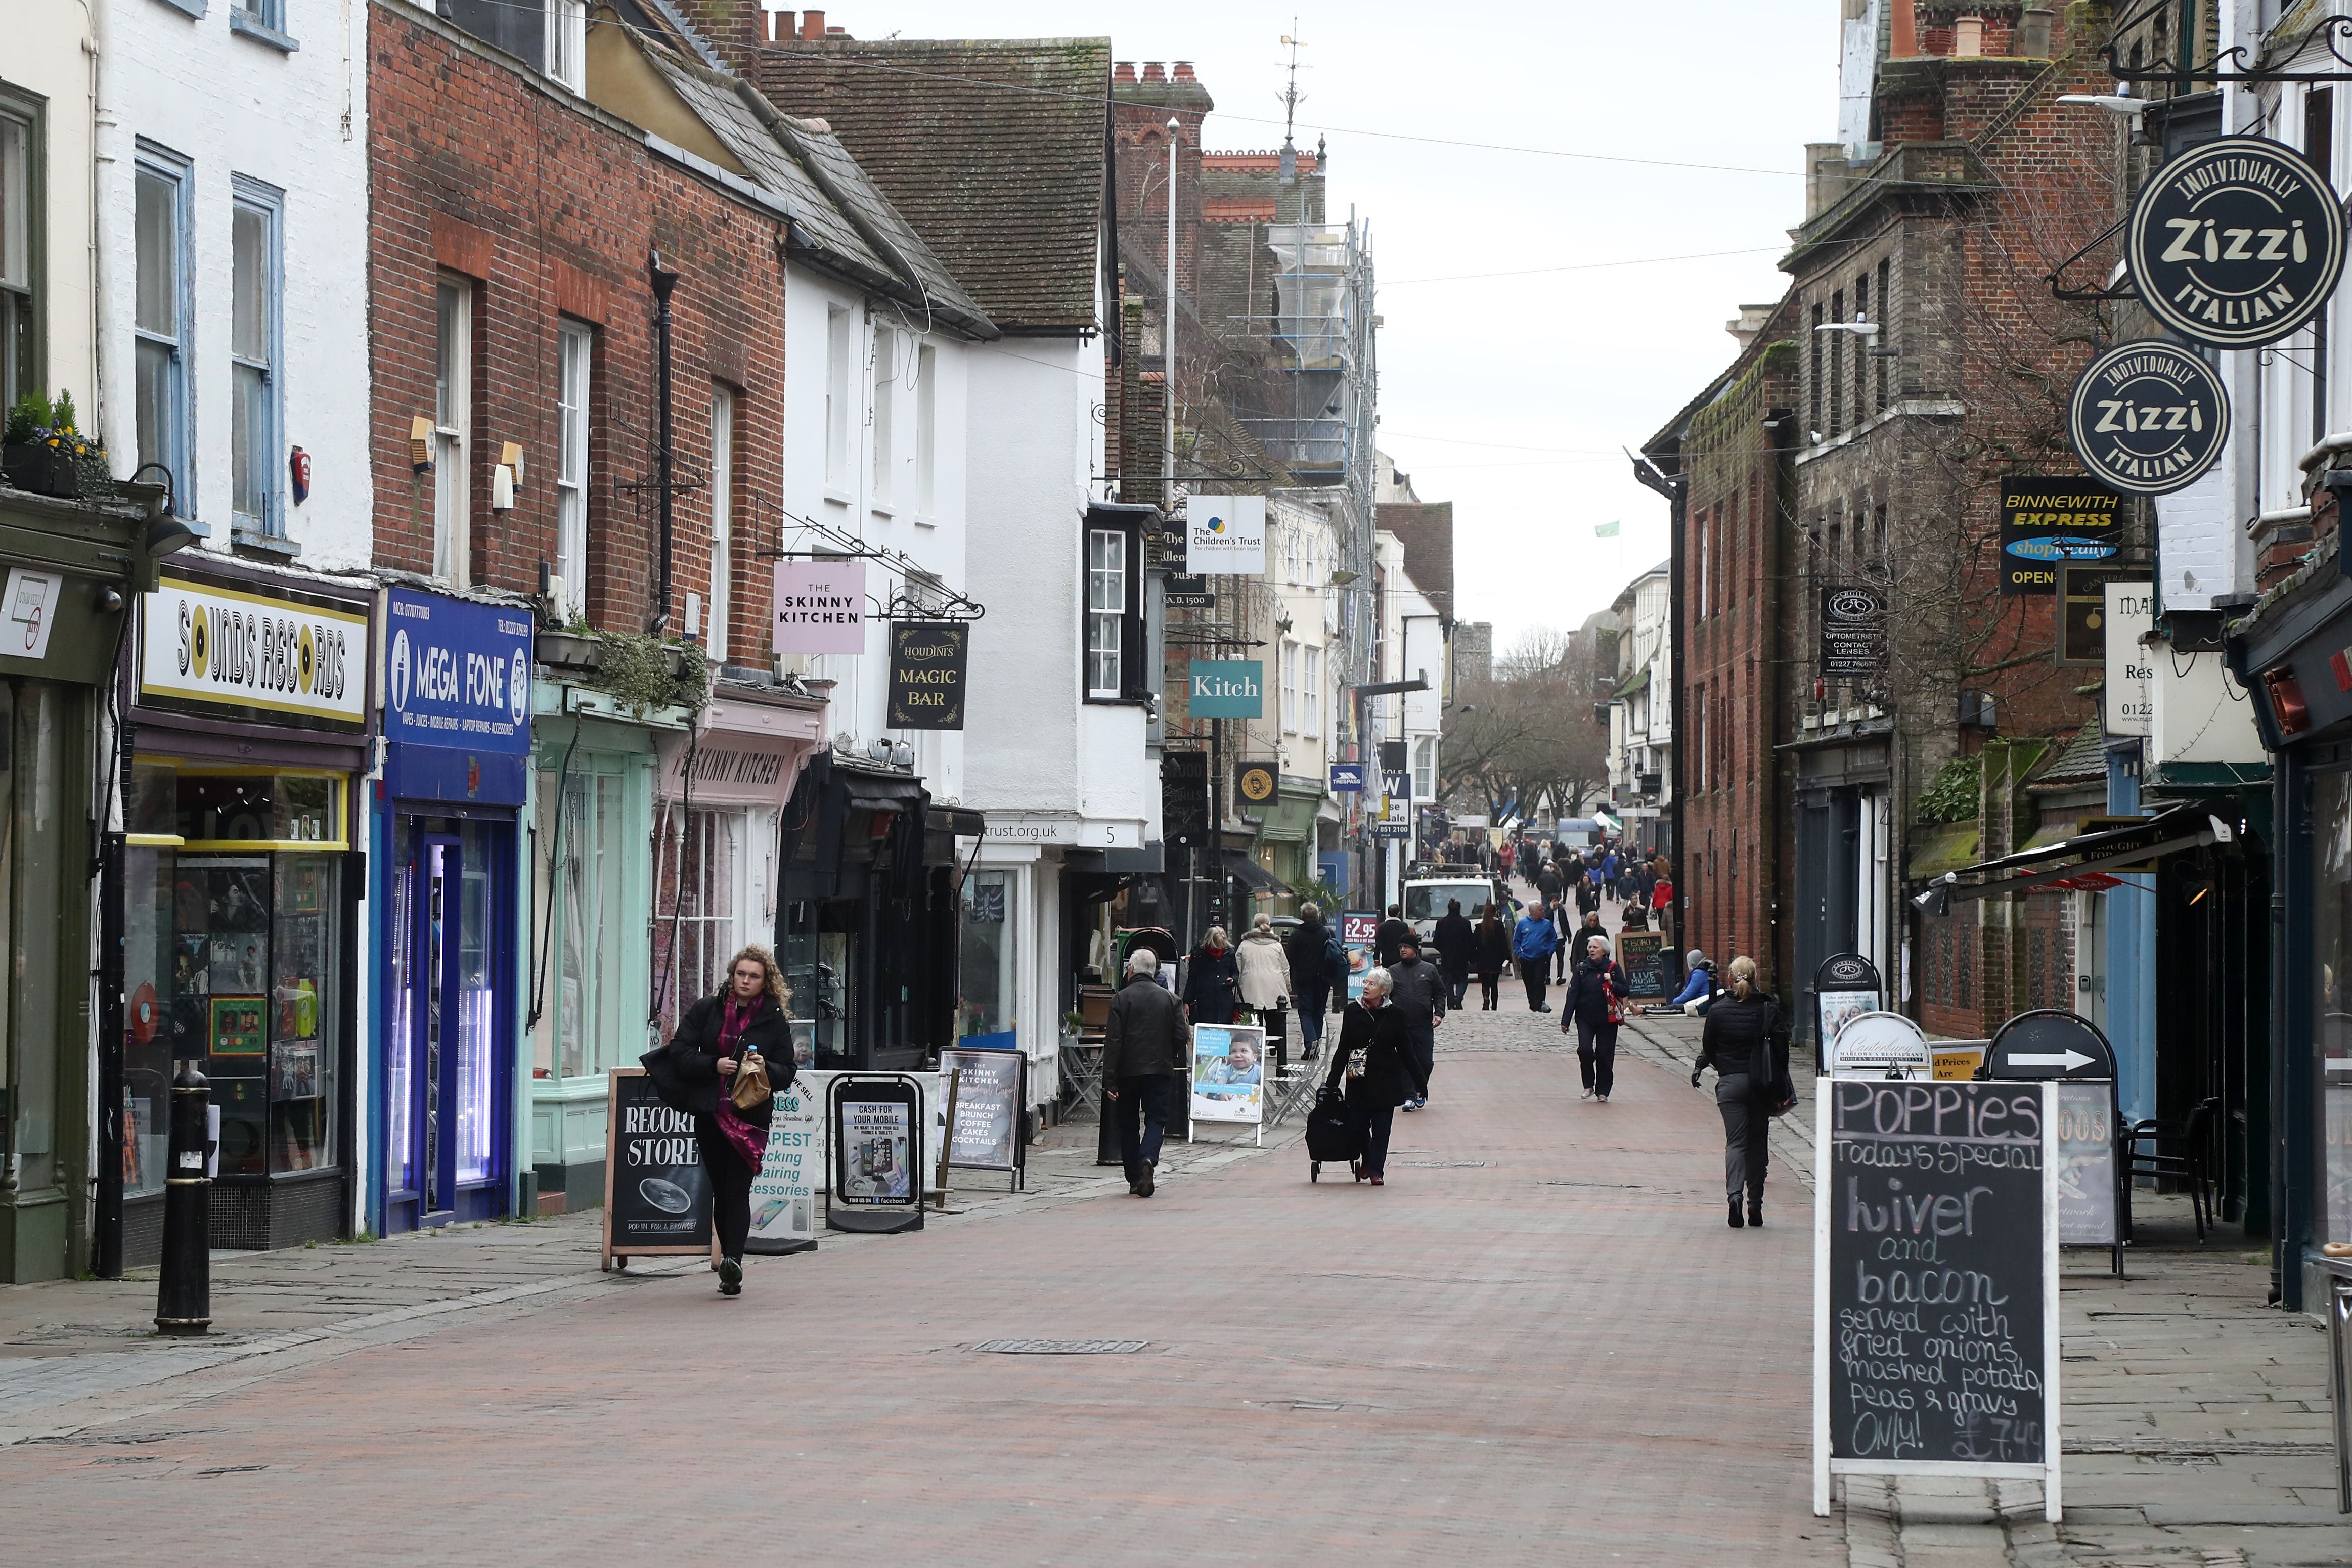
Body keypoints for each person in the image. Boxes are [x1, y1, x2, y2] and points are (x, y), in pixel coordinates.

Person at [647, 945, 793, 1296]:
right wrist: (713, 1064)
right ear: (732, 975)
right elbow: (680, 1050)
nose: (745, 980)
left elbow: (787, 1071)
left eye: (753, 976)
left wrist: (760, 1068)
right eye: (740, 974)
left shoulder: (773, 1018)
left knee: (738, 1189)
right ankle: (728, 1260)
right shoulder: (706, 1009)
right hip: (711, 1113)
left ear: (765, 982)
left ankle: (733, 1262)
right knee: (720, 1188)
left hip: (749, 1118)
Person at [1691, 955, 1795, 1228]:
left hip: (1730, 1084)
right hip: (1761, 1085)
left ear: (1729, 978)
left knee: (1735, 1143)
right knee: (1758, 1143)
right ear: (1755, 978)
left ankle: (1734, 1196)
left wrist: (1723, 1067)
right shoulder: (1769, 1010)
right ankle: (1755, 1206)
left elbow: (1709, 1047)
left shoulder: (1718, 1010)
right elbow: (1783, 1050)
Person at [1321, 967, 1426, 1185]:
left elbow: (1406, 1050)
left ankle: (1377, 1171)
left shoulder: (1395, 1014)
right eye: (1366, 983)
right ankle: (1367, 1159)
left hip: (1386, 1081)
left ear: (1384, 990)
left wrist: (1420, 1082)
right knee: (1358, 1127)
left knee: (1382, 1129)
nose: (1366, 987)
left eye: (1372, 984)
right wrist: (1332, 1080)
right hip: (1359, 1080)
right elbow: (1343, 1048)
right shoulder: (1353, 1012)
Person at [1104, 946, 1189, 1197]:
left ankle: (1133, 1178)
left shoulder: (1120, 999)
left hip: (1127, 1071)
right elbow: (1182, 1035)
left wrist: (1110, 1079)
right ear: (1154, 971)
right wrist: (1168, 1054)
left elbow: (1113, 1041)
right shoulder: (1171, 1000)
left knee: (1128, 1124)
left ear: (1131, 970)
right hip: (1159, 1070)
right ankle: (1148, 1159)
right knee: (1156, 1120)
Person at [1562, 933, 1630, 1103]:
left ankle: (1603, 1091)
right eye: (1590, 947)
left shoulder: (1613, 968)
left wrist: (1612, 983)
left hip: (1607, 1018)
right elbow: (1573, 994)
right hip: (1585, 1017)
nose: (1592, 950)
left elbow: (1625, 990)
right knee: (1585, 1050)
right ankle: (1588, 1085)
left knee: (1605, 1055)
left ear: (1604, 951)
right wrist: (1566, 1020)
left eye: (1595, 947)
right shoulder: (1582, 969)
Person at [1386, 932, 1446, 1110]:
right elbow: (1385, 995)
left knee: (1425, 1061)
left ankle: (1420, 1089)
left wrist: (1439, 1013)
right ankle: (1409, 1096)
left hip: (1423, 1024)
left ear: (1415, 949)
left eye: (1406, 947)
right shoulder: (1393, 971)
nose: (1403, 950)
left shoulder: (1429, 970)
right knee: (1405, 1061)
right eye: (1401, 947)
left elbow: (1439, 993)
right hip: (1401, 1026)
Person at [1285, 902, 1341, 1058]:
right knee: (1319, 1012)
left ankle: (1311, 1043)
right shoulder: (1327, 933)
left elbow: (1290, 958)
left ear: (1303, 917)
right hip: (1323, 979)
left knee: (1305, 1012)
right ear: (1317, 916)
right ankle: (1315, 1046)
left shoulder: (1297, 935)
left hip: (1304, 979)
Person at [1236, 913, 1290, 1034]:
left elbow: (1237, 968)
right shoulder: (1277, 945)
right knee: (1274, 1024)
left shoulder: (1244, 945)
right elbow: (1285, 969)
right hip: (1274, 990)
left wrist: (1237, 990)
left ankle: (1254, 1048)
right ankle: (1274, 1046)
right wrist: (1288, 987)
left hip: (1251, 989)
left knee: (1252, 1027)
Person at [1181, 927, 1240, 1024]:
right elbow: (1192, 978)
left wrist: (1233, 980)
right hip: (1205, 1000)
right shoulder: (1199, 953)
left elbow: (1235, 973)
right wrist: (1187, 1001)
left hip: (1225, 999)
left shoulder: (1229, 952)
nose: (1219, 949)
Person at [1512, 899, 1559, 1012]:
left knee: (1539, 981)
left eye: (1543, 909)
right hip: (1526, 958)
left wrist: (1549, 952)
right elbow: (1516, 940)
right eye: (1540, 909)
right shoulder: (1523, 924)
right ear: (1532, 912)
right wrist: (1519, 954)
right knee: (1529, 982)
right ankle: (1533, 1004)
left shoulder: (1547, 924)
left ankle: (1540, 1004)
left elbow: (1553, 940)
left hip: (1541, 957)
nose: (1543, 911)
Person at [1433, 897, 1476, 1010]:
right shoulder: (1465, 923)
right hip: (1462, 957)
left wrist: (1443, 950)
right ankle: (1459, 997)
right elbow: (1470, 941)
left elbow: (1436, 942)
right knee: (1463, 980)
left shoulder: (1441, 923)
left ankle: (1451, 1001)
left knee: (1448, 981)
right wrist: (1471, 956)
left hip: (1447, 957)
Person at [1472, 905, 1510, 1011]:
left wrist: (1473, 957)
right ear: (1495, 913)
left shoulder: (1479, 927)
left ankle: (1486, 997)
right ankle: (1494, 1006)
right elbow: (1504, 942)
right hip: (1496, 959)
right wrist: (1507, 957)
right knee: (1494, 984)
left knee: (1485, 983)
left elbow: (1474, 943)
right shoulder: (1499, 925)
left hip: (1482, 959)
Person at [1670, 950, 1718, 1016]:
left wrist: (1675, 1002)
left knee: (1668, 1009)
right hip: (1706, 1002)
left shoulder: (1699, 974)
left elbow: (1688, 995)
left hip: (1702, 1005)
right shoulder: (1705, 970)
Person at [1375, 904, 1412, 968]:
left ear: (1388, 914)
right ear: (1398, 914)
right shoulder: (1404, 926)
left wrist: (1376, 958)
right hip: (1400, 958)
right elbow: (1408, 943)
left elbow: (1378, 944)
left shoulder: (1382, 926)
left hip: (1386, 959)